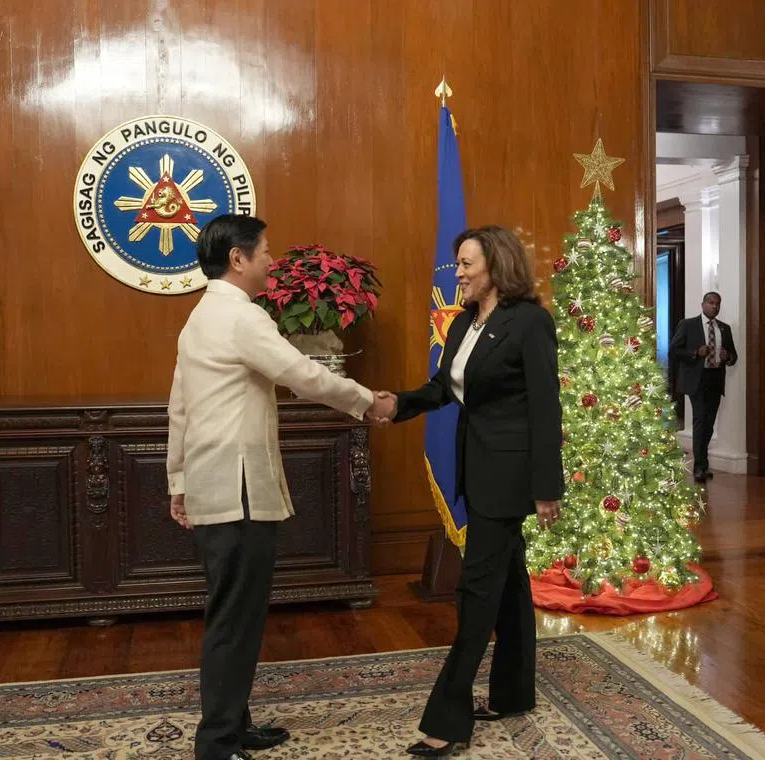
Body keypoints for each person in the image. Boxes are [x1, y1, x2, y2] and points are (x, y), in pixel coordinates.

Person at [166, 214, 395, 760]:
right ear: (237, 259)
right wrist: (369, 402)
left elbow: (179, 406)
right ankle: (217, 743)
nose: (272, 259)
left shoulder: (200, 317)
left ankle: (233, 724)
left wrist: (178, 481)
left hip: (211, 483)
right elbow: (302, 374)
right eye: (264, 250)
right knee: (234, 619)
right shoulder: (242, 319)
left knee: (233, 612)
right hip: (238, 490)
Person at [374, 225, 564, 757]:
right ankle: (512, 693)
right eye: (457, 264)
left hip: (508, 478)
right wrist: (398, 404)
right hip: (475, 469)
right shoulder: (461, 323)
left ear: (495, 266)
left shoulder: (529, 323)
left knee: (476, 592)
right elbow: (443, 388)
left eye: (465, 264)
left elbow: (545, 409)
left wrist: (547, 487)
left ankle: (449, 718)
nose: (456, 273)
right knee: (509, 583)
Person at [669, 291, 738, 483]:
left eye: (717, 304)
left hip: (715, 379)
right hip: (696, 380)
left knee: (709, 423)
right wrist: (695, 353)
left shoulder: (725, 329)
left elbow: (733, 356)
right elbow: (674, 350)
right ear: (703, 304)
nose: (714, 307)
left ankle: (703, 463)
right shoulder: (688, 324)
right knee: (700, 421)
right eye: (711, 303)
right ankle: (699, 466)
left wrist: (728, 357)